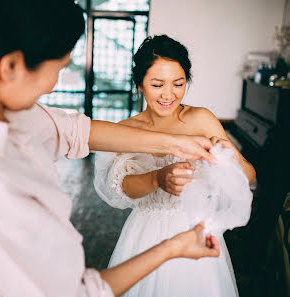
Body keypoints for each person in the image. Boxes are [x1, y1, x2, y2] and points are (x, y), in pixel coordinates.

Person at [0, 1, 222, 297]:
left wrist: (174, 141)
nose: (53, 84)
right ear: (11, 66)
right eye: (57, 68)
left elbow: (74, 130)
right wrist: (171, 248)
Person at [94, 35, 256, 297]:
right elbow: (120, 188)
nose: (169, 94)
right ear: (140, 85)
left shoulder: (200, 119)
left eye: (178, 84)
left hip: (195, 230)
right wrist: (157, 178)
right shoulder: (125, 130)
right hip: (144, 234)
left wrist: (229, 156)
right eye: (157, 84)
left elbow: (248, 177)